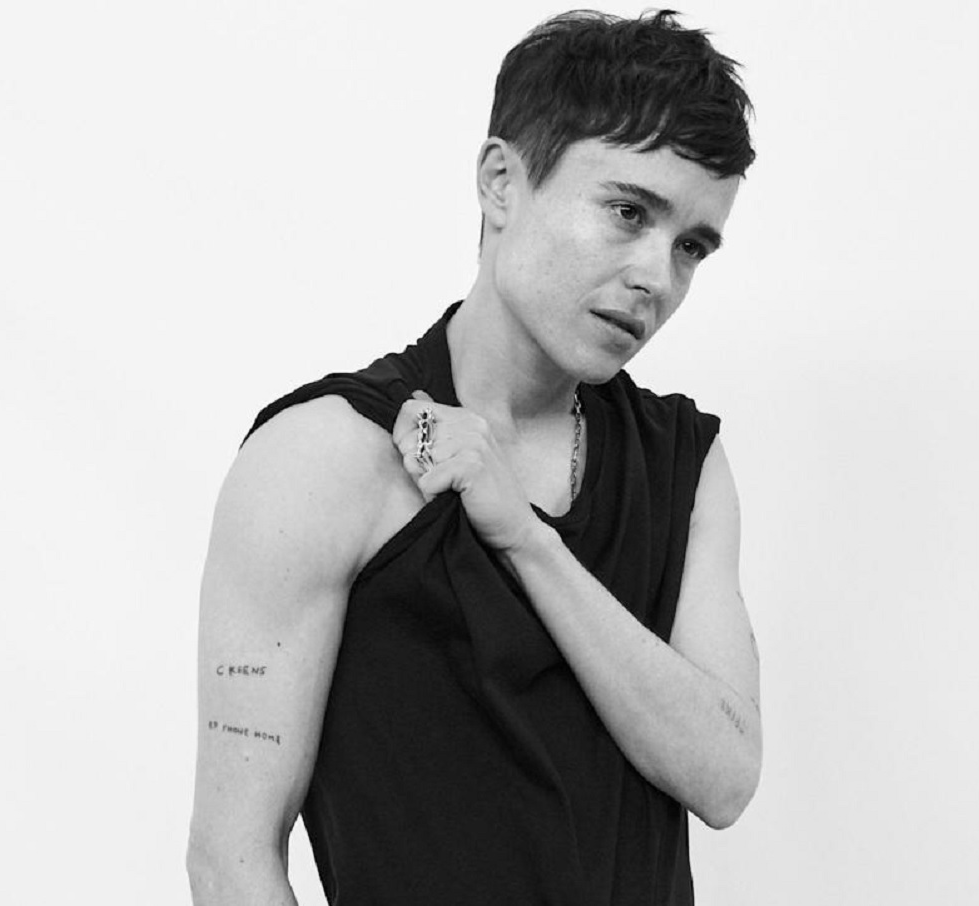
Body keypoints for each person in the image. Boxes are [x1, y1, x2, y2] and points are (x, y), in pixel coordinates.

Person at [187, 9, 761, 905]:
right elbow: (231, 860)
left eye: (690, 246)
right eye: (627, 212)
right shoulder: (326, 456)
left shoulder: (685, 464)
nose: (657, 276)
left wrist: (525, 539)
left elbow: (724, 780)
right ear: (501, 183)